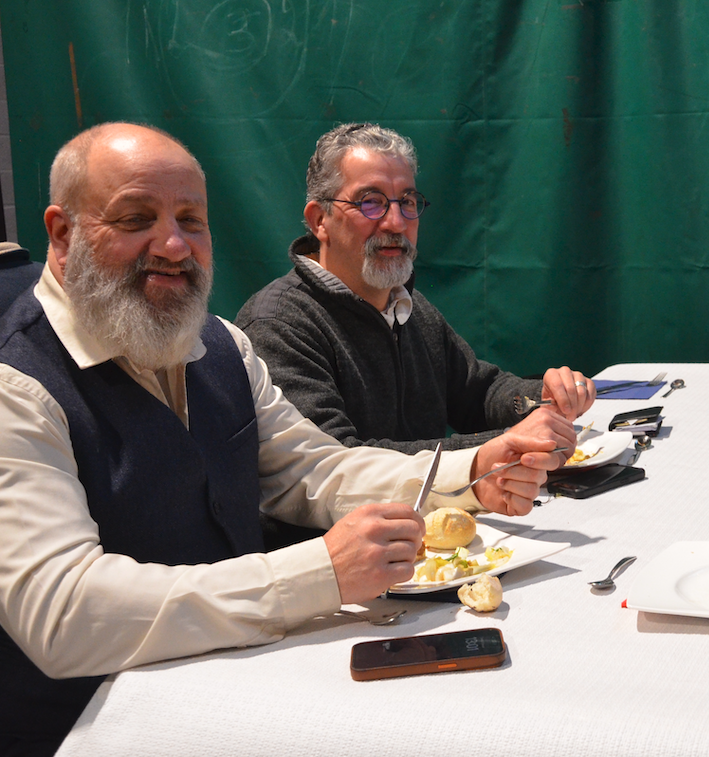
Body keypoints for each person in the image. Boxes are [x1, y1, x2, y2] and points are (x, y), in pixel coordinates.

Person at [0, 122, 568, 755]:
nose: (173, 245)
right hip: (99, 733)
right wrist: (319, 573)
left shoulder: (221, 345)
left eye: (191, 220)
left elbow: (315, 470)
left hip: (241, 695)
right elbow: (64, 612)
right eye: (136, 219)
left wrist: (474, 474)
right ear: (62, 233)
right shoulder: (15, 384)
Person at [235, 122, 595, 461]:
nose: (396, 223)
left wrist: (538, 398)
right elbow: (337, 463)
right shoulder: (278, 324)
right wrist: (501, 445)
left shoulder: (409, 307)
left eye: (407, 201)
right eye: (370, 202)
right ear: (320, 220)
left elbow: (478, 394)